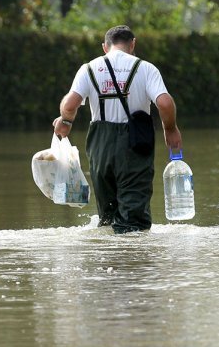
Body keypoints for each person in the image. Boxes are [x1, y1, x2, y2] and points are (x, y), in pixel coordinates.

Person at [52, 25, 182, 233]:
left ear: (105, 47)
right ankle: (131, 262)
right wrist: (171, 129)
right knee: (133, 218)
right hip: (135, 145)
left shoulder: (89, 68)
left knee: (108, 216)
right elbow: (165, 104)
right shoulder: (146, 68)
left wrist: (66, 122)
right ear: (133, 44)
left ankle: (111, 262)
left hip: (99, 146)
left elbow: (69, 105)